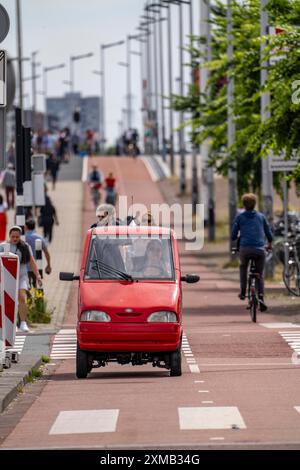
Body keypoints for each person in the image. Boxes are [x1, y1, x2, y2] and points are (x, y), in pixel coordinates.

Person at [231, 193, 273, 311]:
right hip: (260, 250)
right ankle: (261, 297)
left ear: (244, 205)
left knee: (243, 267)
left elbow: (233, 236)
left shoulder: (239, 217)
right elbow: (269, 233)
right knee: (259, 274)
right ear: (255, 204)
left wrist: (238, 235)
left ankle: (243, 292)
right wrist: (269, 244)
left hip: (245, 249)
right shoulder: (261, 217)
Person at [0, 226, 42, 332]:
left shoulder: (25, 246)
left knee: (22, 298)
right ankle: (11, 324)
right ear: (9, 236)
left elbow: (32, 262)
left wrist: (38, 276)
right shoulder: (3, 246)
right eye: (13, 236)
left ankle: (23, 323)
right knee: (8, 301)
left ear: (20, 237)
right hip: (7, 277)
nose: (15, 239)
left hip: (21, 276)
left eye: (17, 237)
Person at [25, 219, 52, 287]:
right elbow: (46, 252)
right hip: (37, 266)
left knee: (27, 286)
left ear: (26, 227)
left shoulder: (23, 238)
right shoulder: (39, 237)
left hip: (25, 267)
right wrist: (48, 265)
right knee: (37, 285)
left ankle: (29, 297)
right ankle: (38, 297)